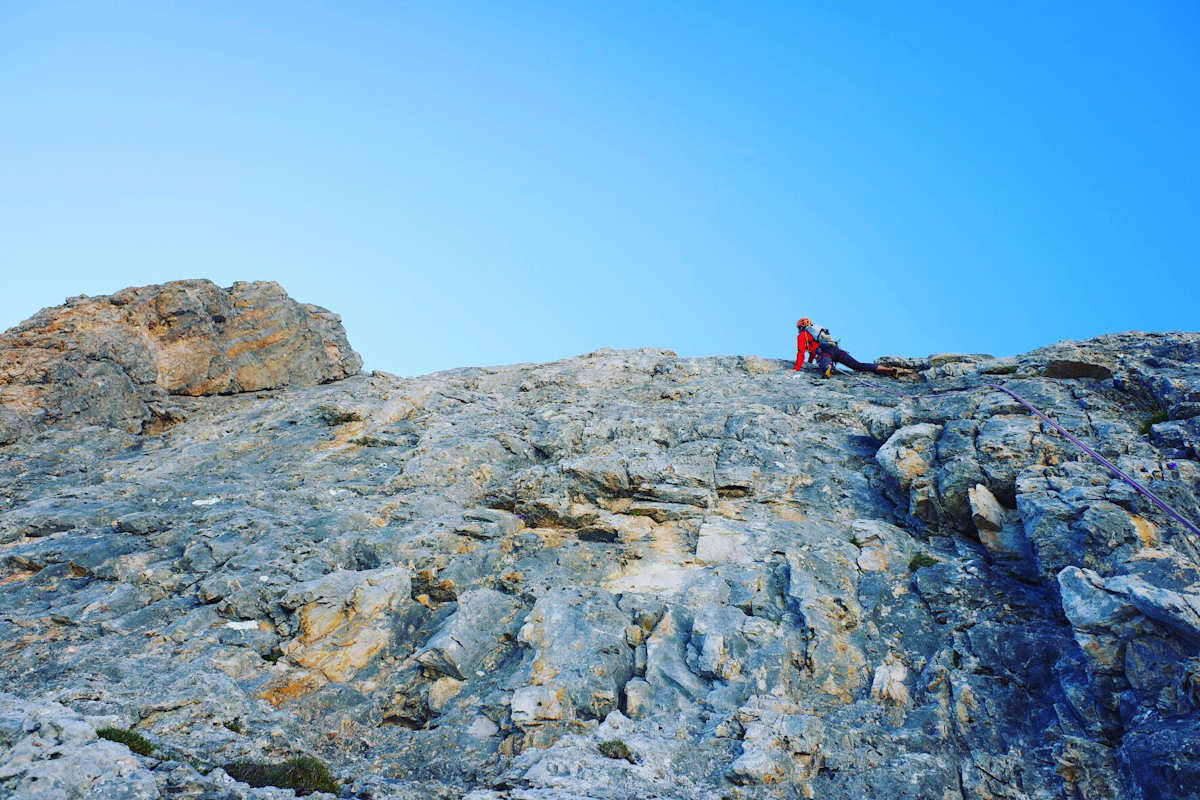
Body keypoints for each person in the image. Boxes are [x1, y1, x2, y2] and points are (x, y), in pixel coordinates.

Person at [795, 318, 897, 378]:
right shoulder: (817, 332)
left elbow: (801, 351)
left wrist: (796, 369)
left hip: (825, 354)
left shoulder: (802, 335)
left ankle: (828, 368)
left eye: (799, 328)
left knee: (825, 364)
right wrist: (809, 362)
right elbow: (813, 352)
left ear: (801, 327)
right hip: (836, 350)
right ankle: (889, 369)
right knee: (858, 365)